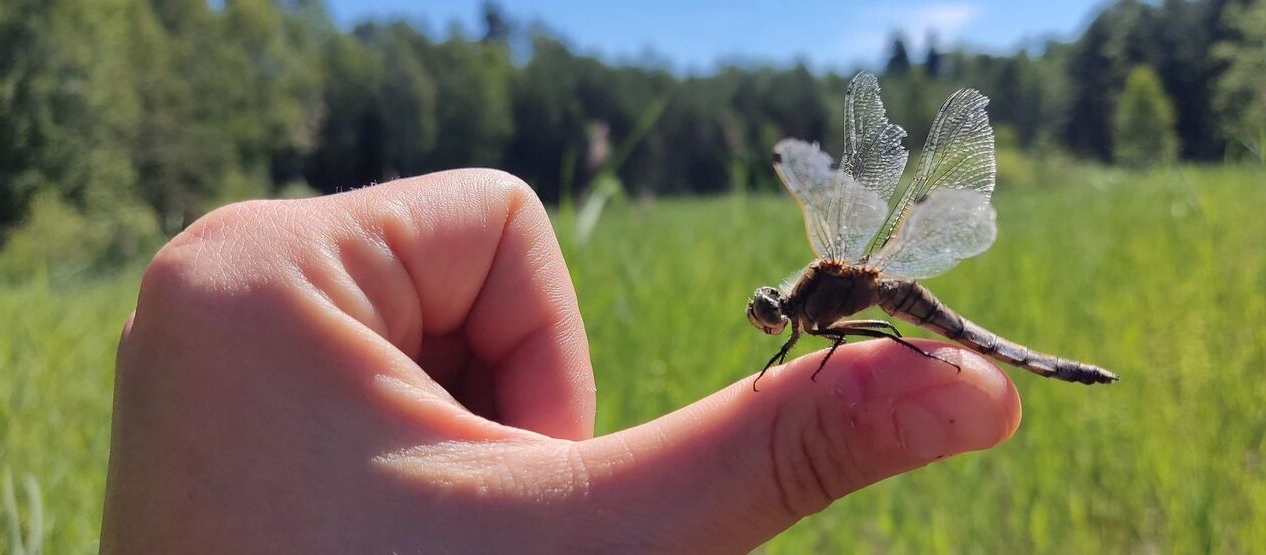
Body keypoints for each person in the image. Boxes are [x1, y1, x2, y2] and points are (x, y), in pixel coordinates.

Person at [99, 169, 1021, 553]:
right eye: (776, 313)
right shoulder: (808, 309)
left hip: (901, 308)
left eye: (775, 314)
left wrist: (828, 380)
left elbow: (842, 345)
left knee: (897, 334)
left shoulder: (828, 300)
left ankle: (990, 354)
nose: (773, 318)